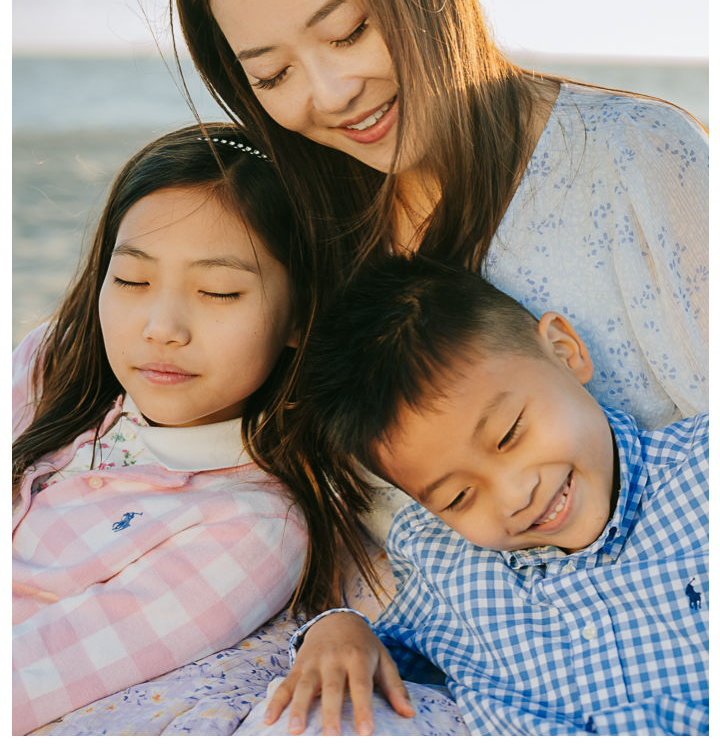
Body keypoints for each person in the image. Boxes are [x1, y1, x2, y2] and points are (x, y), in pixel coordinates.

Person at [171, 0, 708, 544]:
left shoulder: (637, 157)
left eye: (350, 31)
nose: (329, 93)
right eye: (272, 73)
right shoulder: (314, 241)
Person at [261, 256, 708, 736]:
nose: (515, 496)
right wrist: (336, 629)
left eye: (510, 433)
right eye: (457, 498)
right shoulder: (446, 569)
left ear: (563, 350)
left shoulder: (701, 471)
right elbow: (380, 655)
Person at [13, 124, 310, 736]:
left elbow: (33, 676)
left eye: (218, 291)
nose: (162, 326)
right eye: (131, 280)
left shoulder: (252, 528)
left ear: (301, 316)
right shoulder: (51, 363)